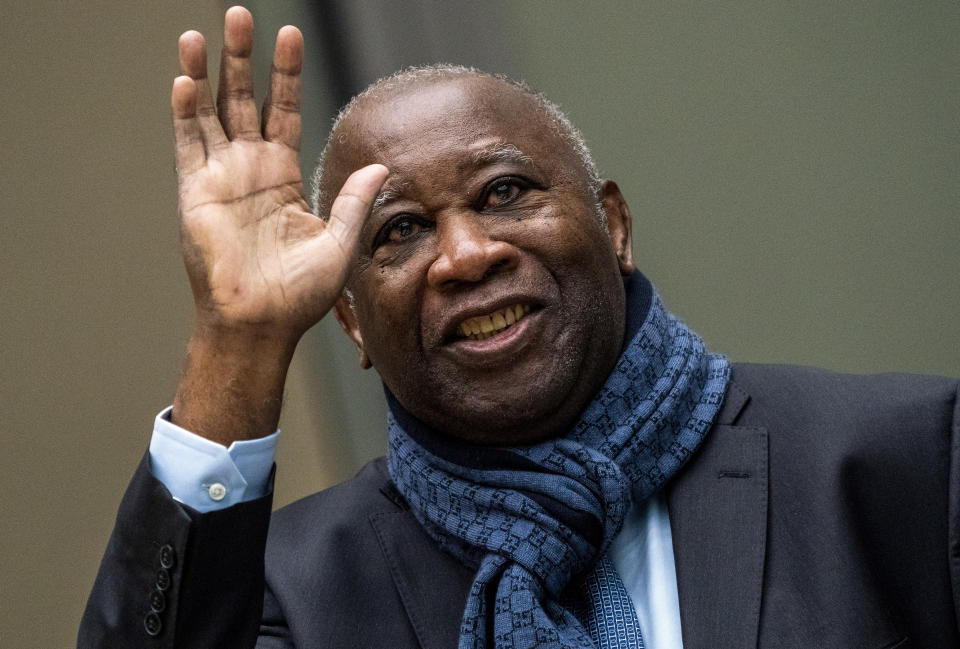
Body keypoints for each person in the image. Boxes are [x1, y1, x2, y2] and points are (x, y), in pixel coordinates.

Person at [79, 6, 960, 649]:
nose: (464, 255)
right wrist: (239, 340)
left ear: (613, 225)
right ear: (348, 319)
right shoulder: (295, 594)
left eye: (505, 193)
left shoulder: (906, 462)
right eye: (400, 231)